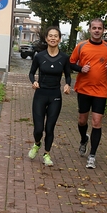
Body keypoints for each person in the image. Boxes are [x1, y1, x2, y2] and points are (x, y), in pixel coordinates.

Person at [69, 18, 107, 169]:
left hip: (100, 91)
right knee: (82, 121)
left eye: (100, 28)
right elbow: (70, 63)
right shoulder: (81, 46)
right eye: (94, 28)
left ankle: (92, 155)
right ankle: (84, 138)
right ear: (89, 30)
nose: (97, 30)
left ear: (103, 31)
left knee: (96, 122)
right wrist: (80, 69)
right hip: (83, 89)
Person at [28, 26, 71, 166]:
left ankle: (47, 154)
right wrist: (33, 81)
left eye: (56, 36)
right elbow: (31, 72)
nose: (53, 38)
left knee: (50, 128)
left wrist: (67, 85)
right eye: (50, 36)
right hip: (40, 95)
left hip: (55, 96)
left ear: (59, 39)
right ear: (46, 39)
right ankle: (37, 143)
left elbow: (68, 76)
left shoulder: (64, 58)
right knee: (38, 129)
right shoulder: (39, 56)